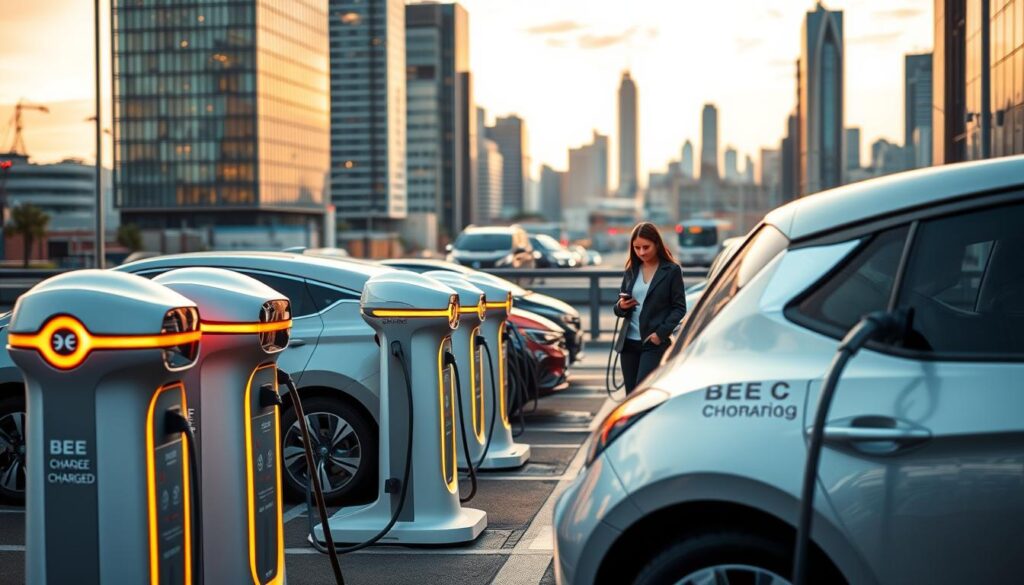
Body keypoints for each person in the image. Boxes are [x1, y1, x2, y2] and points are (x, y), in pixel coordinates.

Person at [613, 222, 687, 394]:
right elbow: (618, 308)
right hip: (628, 343)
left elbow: (679, 308)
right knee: (631, 394)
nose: (641, 252)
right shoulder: (631, 270)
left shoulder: (671, 271)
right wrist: (621, 306)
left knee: (643, 392)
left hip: (653, 343)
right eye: (637, 248)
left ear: (657, 244)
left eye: (646, 247)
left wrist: (660, 334)